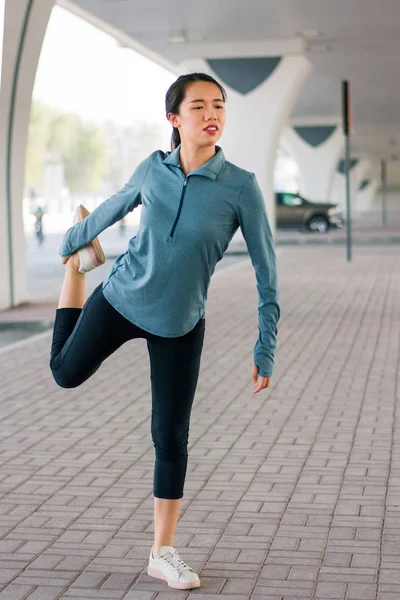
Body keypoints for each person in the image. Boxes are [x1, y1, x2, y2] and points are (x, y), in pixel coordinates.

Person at [49, 72, 279, 590]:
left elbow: (268, 272)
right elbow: (114, 206)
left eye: (218, 104)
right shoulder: (153, 170)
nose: (210, 113)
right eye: (197, 106)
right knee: (64, 373)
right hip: (122, 296)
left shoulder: (240, 187)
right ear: (174, 119)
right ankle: (74, 275)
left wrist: (265, 347)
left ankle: (163, 551)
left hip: (180, 324)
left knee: (170, 436)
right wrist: (73, 243)